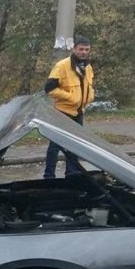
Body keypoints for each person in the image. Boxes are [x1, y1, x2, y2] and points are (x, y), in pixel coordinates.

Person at [43, 35, 95, 178]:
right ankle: (49, 176)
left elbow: (88, 86)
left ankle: (71, 173)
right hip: (63, 112)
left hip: (79, 112)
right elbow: (49, 89)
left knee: (75, 144)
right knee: (55, 145)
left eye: (87, 49)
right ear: (74, 49)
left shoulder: (88, 67)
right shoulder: (62, 66)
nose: (84, 52)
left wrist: (89, 97)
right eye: (81, 49)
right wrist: (70, 97)